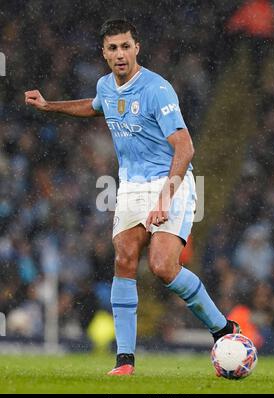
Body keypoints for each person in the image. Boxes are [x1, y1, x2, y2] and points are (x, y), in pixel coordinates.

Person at [25, 19, 240, 376]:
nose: (120, 54)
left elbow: (185, 147)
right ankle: (125, 361)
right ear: (104, 53)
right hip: (130, 187)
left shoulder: (157, 89)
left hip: (172, 181)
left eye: (126, 46)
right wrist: (49, 106)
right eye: (113, 48)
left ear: (137, 48)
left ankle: (224, 330)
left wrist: (164, 198)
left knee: (162, 267)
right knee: (124, 257)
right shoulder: (106, 87)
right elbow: (96, 105)